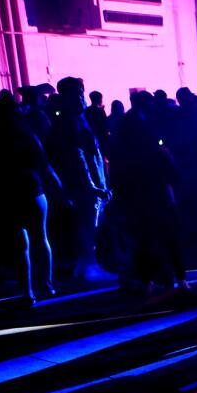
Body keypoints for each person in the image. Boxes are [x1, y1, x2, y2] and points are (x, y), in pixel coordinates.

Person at [0, 95, 61, 305]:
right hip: (32, 189)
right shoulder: (26, 133)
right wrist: (57, 184)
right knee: (41, 238)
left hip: (6, 192)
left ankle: (27, 292)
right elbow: (43, 163)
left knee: (20, 244)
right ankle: (46, 286)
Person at [111, 98, 188, 292]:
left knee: (143, 241)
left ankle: (147, 281)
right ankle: (180, 279)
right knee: (170, 239)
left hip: (136, 202)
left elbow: (117, 180)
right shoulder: (156, 150)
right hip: (161, 198)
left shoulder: (121, 154)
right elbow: (174, 174)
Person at [48, 76, 109, 281]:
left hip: (88, 184)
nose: (82, 98)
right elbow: (78, 156)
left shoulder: (76, 119)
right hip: (84, 186)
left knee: (89, 225)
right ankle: (89, 267)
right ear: (65, 97)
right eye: (77, 94)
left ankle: (85, 267)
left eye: (82, 93)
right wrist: (92, 186)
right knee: (88, 226)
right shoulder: (70, 122)